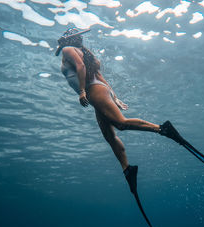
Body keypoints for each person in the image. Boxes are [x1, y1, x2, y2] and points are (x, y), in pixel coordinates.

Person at [56, 28, 177, 194]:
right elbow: (99, 75)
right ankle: (127, 169)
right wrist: (114, 96)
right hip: (99, 91)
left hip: (93, 90)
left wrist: (82, 91)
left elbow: (80, 66)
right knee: (109, 135)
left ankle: (162, 129)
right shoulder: (83, 51)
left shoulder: (67, 49)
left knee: (120, 123)